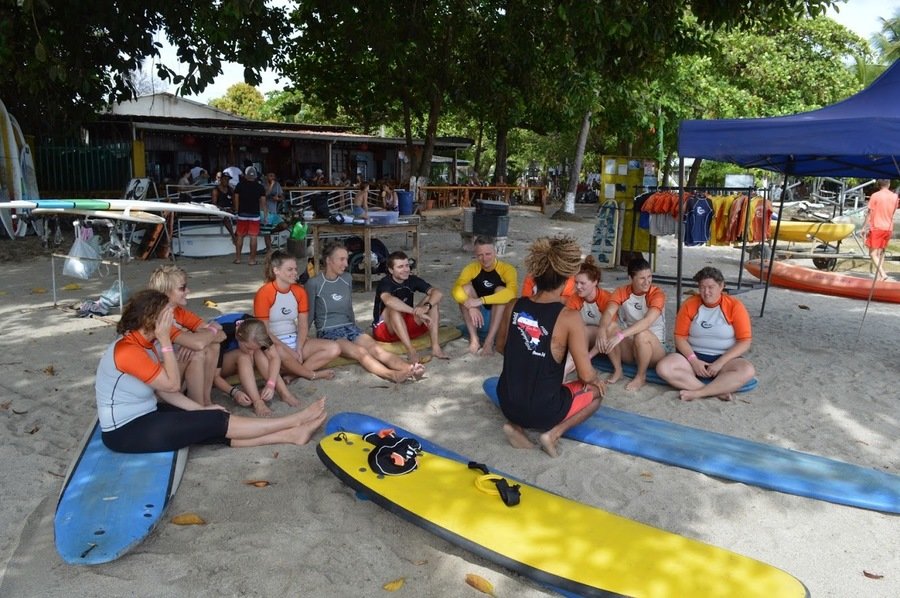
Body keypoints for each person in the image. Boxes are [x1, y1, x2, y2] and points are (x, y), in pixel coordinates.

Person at [95, 289, 327, 454]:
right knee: (213, 421)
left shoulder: (146, 342)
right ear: (151, 320)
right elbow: (173, 386)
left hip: (148, 413)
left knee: (206, 423)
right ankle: (294, 421)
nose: (173, 319)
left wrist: (200, 410)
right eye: (168, 315)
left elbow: (166, 392)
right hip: (125, 431)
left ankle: (290, 435)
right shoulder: (128, 350)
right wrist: (166, 340)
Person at [495, 236, 605, 457]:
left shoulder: (514, 305)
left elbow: (500, 347)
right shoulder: (569, 317)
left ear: (536, 275)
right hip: (545, 411)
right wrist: (596, 380)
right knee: (597, 394)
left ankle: (515, 425)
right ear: (568, 280)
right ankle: (553, 434)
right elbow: (585, 374)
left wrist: (529, 351)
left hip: (506, 400)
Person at [306, 242, 425, 382]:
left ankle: (408, 368)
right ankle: (391, 375)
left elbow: (348, 308)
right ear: (328, 260)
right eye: (341, 259)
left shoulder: (347, 279)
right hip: (329, 331)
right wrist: (302, 342)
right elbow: (308, 315)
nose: (346, 264)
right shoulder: (313, 283)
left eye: (346, 259)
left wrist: (355, 330)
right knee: (360, 353)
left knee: (377, 349)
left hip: (349, 327)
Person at [656, 267, 755, 401]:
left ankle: (698, 393)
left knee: (747, 370)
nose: (706, 292)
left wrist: (720, 362)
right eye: (702, 287)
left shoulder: (735, 306)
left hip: (725, 360)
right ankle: (716, 391)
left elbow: (745, 341)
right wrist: (694, 360)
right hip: (692, 357)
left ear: (721, 286)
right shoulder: (689, 304)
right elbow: (679, 337)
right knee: (664, 367)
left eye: (711, 287)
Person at [253, 250, 340, 382]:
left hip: (294, 338)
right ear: (276, 270)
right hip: (274, 342)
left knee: (334, 348)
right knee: (280, 352)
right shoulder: (264, 293)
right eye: (289, 269)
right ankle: (309, 373)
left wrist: (298, 348)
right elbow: (264, 332)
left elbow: (303, 325)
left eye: (295, 269)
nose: (295, 273)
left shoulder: (299, 291)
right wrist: (290, 351)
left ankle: (294, 374)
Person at [148, 264, 226, 408]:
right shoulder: (159, 317)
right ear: (165, 293)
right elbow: (198, 344)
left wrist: (211, 330)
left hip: (172, 377)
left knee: (212, 345)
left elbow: (221, 334)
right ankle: (200, 408)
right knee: (197, 353)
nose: (188, 291)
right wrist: (204, 334)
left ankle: (206, 400)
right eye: (182, 288)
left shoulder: (177, 311)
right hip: (156, 389)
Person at [597, 256, 666, 391]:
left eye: (649, 277)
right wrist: (601, 329)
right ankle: (618, 370)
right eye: (642, 278)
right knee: (610, 326)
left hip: (655, 350)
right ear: (630, 278)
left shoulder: (657, 293)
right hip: (632, 347)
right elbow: (609, 313)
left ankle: (641, 376)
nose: (647, 282)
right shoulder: (621, 291)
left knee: (642, 334)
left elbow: (647, 322)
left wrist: (621, 335)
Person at [212, 316, 300, 416]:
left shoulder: (257, 330)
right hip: (222, 362)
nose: (251, 352)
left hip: (243, 354)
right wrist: (234, 392)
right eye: (248, 347)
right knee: (244, 355)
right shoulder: (223, 334)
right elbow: (215, 377)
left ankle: (284, 392)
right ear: (238, 335)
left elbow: (274, 357)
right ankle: (257, 402)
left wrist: (271, 384)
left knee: (257, 352)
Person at [372, 251, 449, 363]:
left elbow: (438, 293)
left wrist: (426, 307)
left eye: (407, 265)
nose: (406, 269)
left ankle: (436, 348)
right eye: (400, 267)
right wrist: (415, 312)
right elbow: (388, 300)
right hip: (386, 331)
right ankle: (411, 351)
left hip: (406, 326)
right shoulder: (385, 282)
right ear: (391, 270)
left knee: (432, 300)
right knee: (393, 309)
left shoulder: (412, 279)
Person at [451, 236, 518, 355]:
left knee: (501, 290)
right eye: (480, 255)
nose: (484, 258)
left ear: (495, 252)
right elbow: (455, 289)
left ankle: (489, 341)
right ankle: (474, 339)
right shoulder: (471, 268)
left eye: (488, 254)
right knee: (465, 289)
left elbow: (511, 293)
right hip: (478, 318)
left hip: (499, 321)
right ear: (475, 255)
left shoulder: (507, 269)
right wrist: (470, 305)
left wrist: (481, 300)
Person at [563, 256, 612, 376]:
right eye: (576, 282)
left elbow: (611, 329)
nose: (578, 287)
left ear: (595, 282)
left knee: (607, 329)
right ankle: (563, 373)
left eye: (582, 283)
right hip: (584, 338)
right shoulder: (574, 298)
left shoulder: (607, 298)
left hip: (608, 341)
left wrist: (586, 358)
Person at [864, 179, 899, 281]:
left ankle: (882, 274)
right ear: (889, 184)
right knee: (881, 251)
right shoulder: (895, 197)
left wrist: (864, 227)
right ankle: (879, 275)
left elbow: (869, 212)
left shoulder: (875, 196)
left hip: (877, 227)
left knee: (872, 253)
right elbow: (893, 211)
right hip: (888, 227)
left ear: (879, 185)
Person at [233, 166, 266, 265]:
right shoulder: (260, 187)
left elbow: (236, 200)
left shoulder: (239, 185)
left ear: (245, 175)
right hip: (255, 215)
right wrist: (265, 215)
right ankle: (252, 260)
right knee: (253, 237)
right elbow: (263, 203)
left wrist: (236, 211)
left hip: (242, 214)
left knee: (240, 236)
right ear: (255, 175)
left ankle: (238, 259)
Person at [262, 172, 285, 253]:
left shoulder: (277, 185)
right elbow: (265, 194)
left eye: (273, 176)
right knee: (266, 229)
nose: (272, 177)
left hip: (274, 211)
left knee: (283, 225)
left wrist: (278, 199)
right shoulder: (262, 184)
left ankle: (268, 232)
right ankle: (269, 250)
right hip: (264, 211)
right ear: (266, 176)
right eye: (270, 175)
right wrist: (271, 185)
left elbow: (282, 197)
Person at [211, 171, 235, 239]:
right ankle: (233, 236)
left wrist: (233, 209)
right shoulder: (216, 190)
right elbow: (214, 204)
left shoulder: (231, 189)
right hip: (219, 210)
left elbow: (234, 203)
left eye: (228, 179)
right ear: (221, 179)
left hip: (229, 210)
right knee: (226, 217)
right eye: (225, 179)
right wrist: (223, 209)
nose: (226, 181)